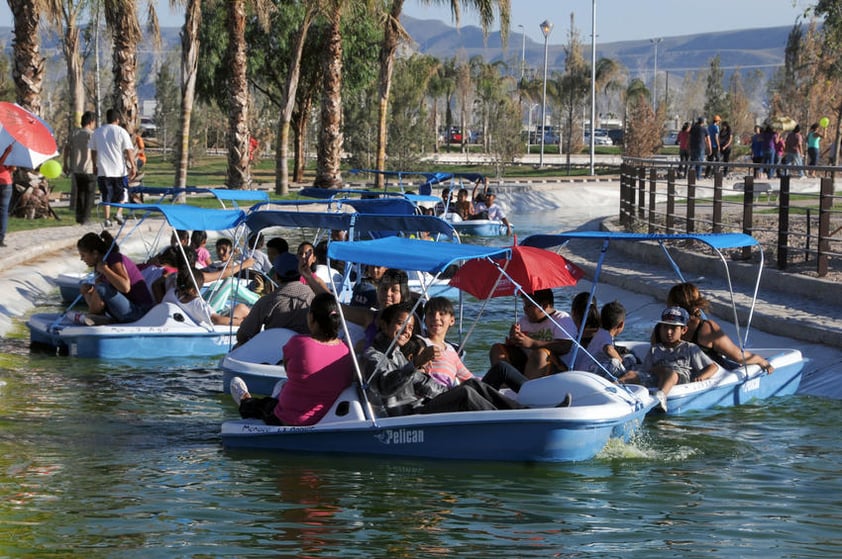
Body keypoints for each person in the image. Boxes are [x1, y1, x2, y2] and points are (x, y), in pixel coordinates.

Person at [229, 292, 354, 426]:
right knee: (281, 387)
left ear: (311, 317)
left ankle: (244, 398)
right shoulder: (347, 350)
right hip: (321, 418)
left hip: (286, 417)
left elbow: (288, 370)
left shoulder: (299, 343)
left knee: (259, 406)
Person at [622, 306, 718, 413]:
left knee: (670, 373)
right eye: (665, 327)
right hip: (656, 378)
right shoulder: (656, 348)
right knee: (631, 374)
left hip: (679, 379)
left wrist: (701, 376)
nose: (668, 332)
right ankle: (612, 391)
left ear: (684, 330)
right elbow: (646, 370)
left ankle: (661, 397)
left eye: (673, 328)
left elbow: (713, 367)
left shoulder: (689, 348)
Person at [666, 282, 774, 373]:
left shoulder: (665, 327)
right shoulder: (706, 328)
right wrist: (762, 361)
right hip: (716, 374)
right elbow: (738, 357)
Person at [490, 289, 577, 379]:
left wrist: (532, 343)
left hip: (556, 369)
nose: (524, 309)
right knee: (497, 349)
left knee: (540, 354)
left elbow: (565, 347)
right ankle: (503, 384)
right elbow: (521, 348)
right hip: (527, 365)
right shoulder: (524, 321)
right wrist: (514, 342)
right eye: (524, 304)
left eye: (529, 305)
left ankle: (527, 388)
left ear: (544, 306)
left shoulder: (562, 318)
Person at [235, 252, 315, 346]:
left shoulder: (266, 301)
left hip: (273, 352)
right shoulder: (315, 297)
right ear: (301, 274)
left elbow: (243, 335)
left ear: (276, 277)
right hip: (306, 349)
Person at [75, 231, 154, 324]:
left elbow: (125, 287)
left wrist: (105, 270)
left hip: (140, 312)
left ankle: (92, 317)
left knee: (101, 288)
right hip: (124, 310)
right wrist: (88, 293)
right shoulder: (98, 266)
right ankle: (98, 318)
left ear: (95, 253)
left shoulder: (114, 259)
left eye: (83, 255)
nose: (81, 259)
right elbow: (99, 305)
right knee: (89, 288)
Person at [89, 108, 136, 227]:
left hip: (103, 170)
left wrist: (94, 164)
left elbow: (93, 151)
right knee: (122, 193)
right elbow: (129, 150)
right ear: (117, 119)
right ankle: (119, 213)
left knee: (106, 194)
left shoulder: (98, 132)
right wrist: (133, 165)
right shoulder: (121, 132)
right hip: (119, 170)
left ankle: (107, 218)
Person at [162, 267, 249, 327]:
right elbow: (217, 320)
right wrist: (243, 323)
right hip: (210, 325)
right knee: (241, 308)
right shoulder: (198, 304)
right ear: (194, 290)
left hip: (181, 321)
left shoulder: (171, 293)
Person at [585, 300, 638, 380]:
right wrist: (621, 362)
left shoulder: (601, 332)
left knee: (629, 358)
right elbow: (608, 349)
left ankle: (628, 376)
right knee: (615, 363)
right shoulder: (606, 336)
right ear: (621, 324)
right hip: (588, 372)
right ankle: (627, 379)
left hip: (588, 369)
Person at [63, 110, 97, 225]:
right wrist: (96, 164)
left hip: (76, 169)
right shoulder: (91, 135)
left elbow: (67, 148)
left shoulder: (74, 133)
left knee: (80, 193)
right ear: (91, 122)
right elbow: (95, 151)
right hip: (89, 168)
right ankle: (86, 218)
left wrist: (65, 163)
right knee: (89, 194)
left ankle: (79, 216)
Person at [0, 143, 15, 248]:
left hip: (5, 183)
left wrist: (6, 153)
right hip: (6, 182)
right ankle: (0, 239)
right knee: (3, 212)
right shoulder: (10, 151)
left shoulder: (6, 150)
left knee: (3, 212)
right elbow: (12, 168)